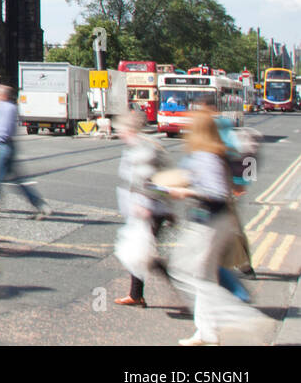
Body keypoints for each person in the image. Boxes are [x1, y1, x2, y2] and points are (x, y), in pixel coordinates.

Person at [164, 107, 272, 345]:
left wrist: (184, 191)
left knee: (184, 272)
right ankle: (206, 333)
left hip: (210, 222)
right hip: (215, 221)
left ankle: (243, 318)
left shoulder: (206, 155)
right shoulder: (211, 153)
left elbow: (216, 192)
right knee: (205, 278)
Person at [113, 108, 174, 307]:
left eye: (121, 129)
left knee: (146, 255)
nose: (118, 133)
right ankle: (136, 294)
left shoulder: (144, 149)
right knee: (138, 251)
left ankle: (185, 290)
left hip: (151, 209)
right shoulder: (136, 146)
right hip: (144, 208)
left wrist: (146, 204)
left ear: (130, 129)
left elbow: (151, 180)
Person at [0, 83, 48, 219]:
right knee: (17, 181)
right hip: (5, 146)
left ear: (3, 95)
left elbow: (2, 131)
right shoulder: (6, 106)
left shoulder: (5, 108)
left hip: (1, 145)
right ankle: (40, 205)